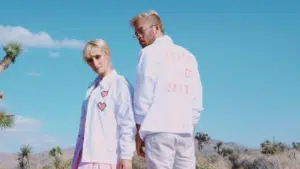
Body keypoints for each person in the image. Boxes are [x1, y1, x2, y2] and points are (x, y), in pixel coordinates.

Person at [130, 10, 204, 169]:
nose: (139, 37)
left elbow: (143, 96)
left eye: (141, 31)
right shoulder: (188, 56)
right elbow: (196, 97)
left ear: (155, 28)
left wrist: (139, 134)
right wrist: (190, 125)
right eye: (136, 34)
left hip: (158, 130)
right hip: (185, 132)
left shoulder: (148, 53)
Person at [72, 39, 136, 169]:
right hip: (85, 157)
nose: (95, 63)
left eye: (97, 57)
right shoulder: (91, 89)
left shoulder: (120, 83)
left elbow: (127, 122)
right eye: (90, 60)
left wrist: (126, 156)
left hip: (108, 158)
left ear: (107, 54)